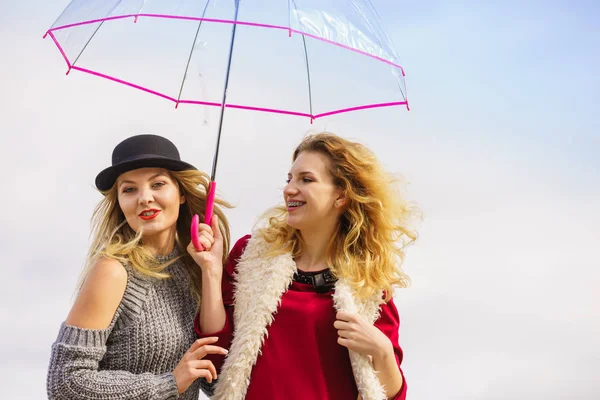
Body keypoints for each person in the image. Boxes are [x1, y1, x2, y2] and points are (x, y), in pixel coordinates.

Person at [190, 132, 418, 400]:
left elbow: (390, 395)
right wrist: (211, 270)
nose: (288, 189)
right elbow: (215, 360)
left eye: (306, 179)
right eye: (289, 179)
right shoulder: (251, 256)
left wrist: (382, 351)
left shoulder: (367, 282)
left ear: (341, 196)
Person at [47, 134, 231, 399]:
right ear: (120, 203)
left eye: (157, 184)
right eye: (129, 189)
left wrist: (211, 273)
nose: (145, 198)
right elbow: (65, 382)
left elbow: (217, 382)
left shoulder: (195, 271)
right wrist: (169, 383)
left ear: (180, 193)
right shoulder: (112, 272)